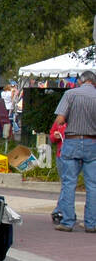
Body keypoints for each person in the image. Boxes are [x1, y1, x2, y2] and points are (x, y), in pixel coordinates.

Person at [51, 69, 96, 232]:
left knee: (69, 183)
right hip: (93, 142)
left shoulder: (70, 94)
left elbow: (60, 119)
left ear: (81, 81)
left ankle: (68, 221)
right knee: (93, 185)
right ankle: (92, 224)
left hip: (72, 141)